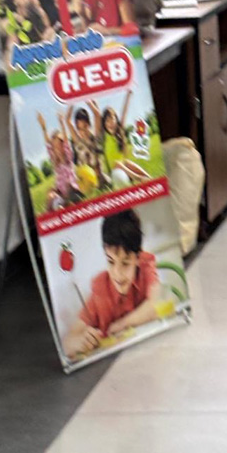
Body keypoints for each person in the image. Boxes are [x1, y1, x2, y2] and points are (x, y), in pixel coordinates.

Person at [63, 209, 160, 359]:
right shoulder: (100, 288)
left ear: (138, 258)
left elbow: (156, 303)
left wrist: (121, 324)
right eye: (111, 262)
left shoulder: (145, 265)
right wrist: (80, 342)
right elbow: (67, 342)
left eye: (125, 263)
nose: (117, 273)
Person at [90, 94, 151, 185]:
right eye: (107, 121)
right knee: (117, 163)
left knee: (127, 162)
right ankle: (138, 178)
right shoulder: (104, 136)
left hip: (125, 169)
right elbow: (97, 115)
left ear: (116, 120)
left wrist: (128, 95)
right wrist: (89, 102)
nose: (110, 123)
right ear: (104, 124)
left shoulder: (119, 132)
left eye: (112, 119)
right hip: (114, 173)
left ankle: (149, 178)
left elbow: (124, 112)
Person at [37, 112, 83, 210]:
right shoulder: (55, 161)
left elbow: (66, 141)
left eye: (58, 145)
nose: (56, 149)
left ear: (63, 146)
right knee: (50, 194)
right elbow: (48, 145)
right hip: (61, 194)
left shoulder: (68, 157)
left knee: (68, 191)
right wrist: (43, 127)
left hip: (73, 192)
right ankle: (52, 212)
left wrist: (62, 124)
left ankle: (65, 205)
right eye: (54, 147)